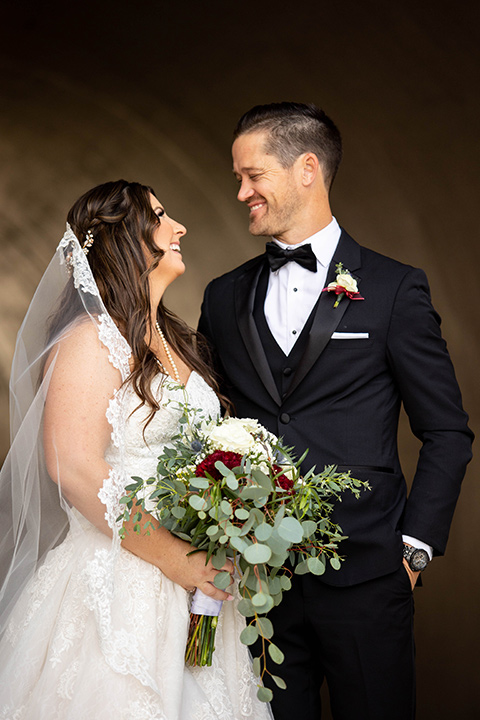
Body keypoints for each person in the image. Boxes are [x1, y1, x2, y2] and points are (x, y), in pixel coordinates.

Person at [198, 103, 474, 720]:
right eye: (237, 177)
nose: (241, 191)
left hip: (370, 581)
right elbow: (207, 425)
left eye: (252, 175)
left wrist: (414, 552)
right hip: (259, 592)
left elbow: (448, 432)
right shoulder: (222, 296)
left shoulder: (396, 289)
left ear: (307, 168)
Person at [0, 180, 273, 720]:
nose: (179, 228)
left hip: (198, 585)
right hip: (121, 580)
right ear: (127, 239)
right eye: (162, 216)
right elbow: (73, 468)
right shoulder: (90, 338)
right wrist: (178, 559)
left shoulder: (173, 339)